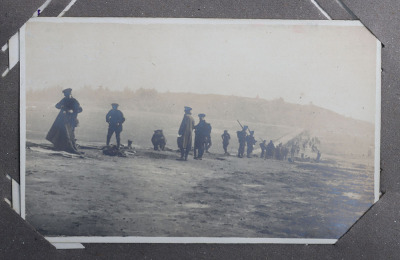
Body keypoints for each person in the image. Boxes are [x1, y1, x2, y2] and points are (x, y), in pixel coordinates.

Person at [46, 88, 82, 154]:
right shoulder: (64, 100)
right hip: (62, 118)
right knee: (62, 132)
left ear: (70, 93)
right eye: (65, 94)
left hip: (70, 119)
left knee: (70, 133)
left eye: (66, 94)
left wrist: (72, 111)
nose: (65, 95)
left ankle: (72, 147)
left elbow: (80, 109)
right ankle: (61, 146)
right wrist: (61, 106)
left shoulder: (74, 101)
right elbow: (57, 106)